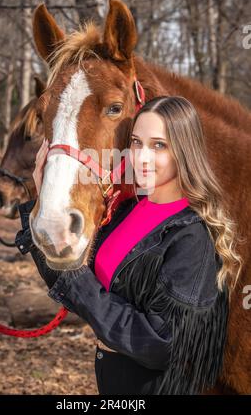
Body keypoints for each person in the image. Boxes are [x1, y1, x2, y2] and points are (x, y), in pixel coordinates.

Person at [15, 96, 243, 395]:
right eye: (136, 142)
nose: (142, 157)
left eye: (158, 145)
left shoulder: (192, 234)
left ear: (184, 151)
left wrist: (81, 285)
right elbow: (71, 281)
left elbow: (162, 343)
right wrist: (41, 199)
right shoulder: (127, 210)